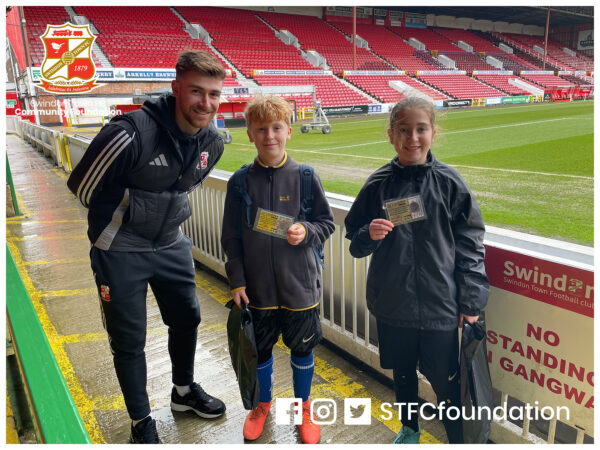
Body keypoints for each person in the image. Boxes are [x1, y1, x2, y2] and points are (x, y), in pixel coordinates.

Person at [67, 50, 228, 444]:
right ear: (176, 89)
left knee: (187, 319)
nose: (205, 103)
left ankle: (183, 392)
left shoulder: (213, 141)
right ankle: (141, 422)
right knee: (129, 340)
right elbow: (82, 188)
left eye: (213, 94)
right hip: (120, 247)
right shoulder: (129, 133)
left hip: (171, 243)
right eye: (196, 91)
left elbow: (185, 185)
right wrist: (126, 216)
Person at [344, 97, 489, 444]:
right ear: (391, 135)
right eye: (404, 130)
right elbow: (355, 241)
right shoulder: (378, 184)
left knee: (447, 382)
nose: (412, 138)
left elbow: (471, 243)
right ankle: (410, 428)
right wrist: (369, 235)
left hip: (441, 306)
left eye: (420, 129)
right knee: (403, 374)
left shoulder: (449, 183)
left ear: (433, 133)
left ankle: (459, 439)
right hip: (394, 304)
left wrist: (471, 302)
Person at [220, 95, 335, 444]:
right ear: (249, 135)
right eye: (261, 129)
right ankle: (261, 405)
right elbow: (231, 237)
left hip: (300, 288)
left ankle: (303, 408)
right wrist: (237, 281)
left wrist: (307, 231)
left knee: (302, 350)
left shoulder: (305, 177)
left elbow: (326, 223)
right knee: (261, 350)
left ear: (288, 131)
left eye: (276, 127)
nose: (269, 135)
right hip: (257, 290)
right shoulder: (239, 182)